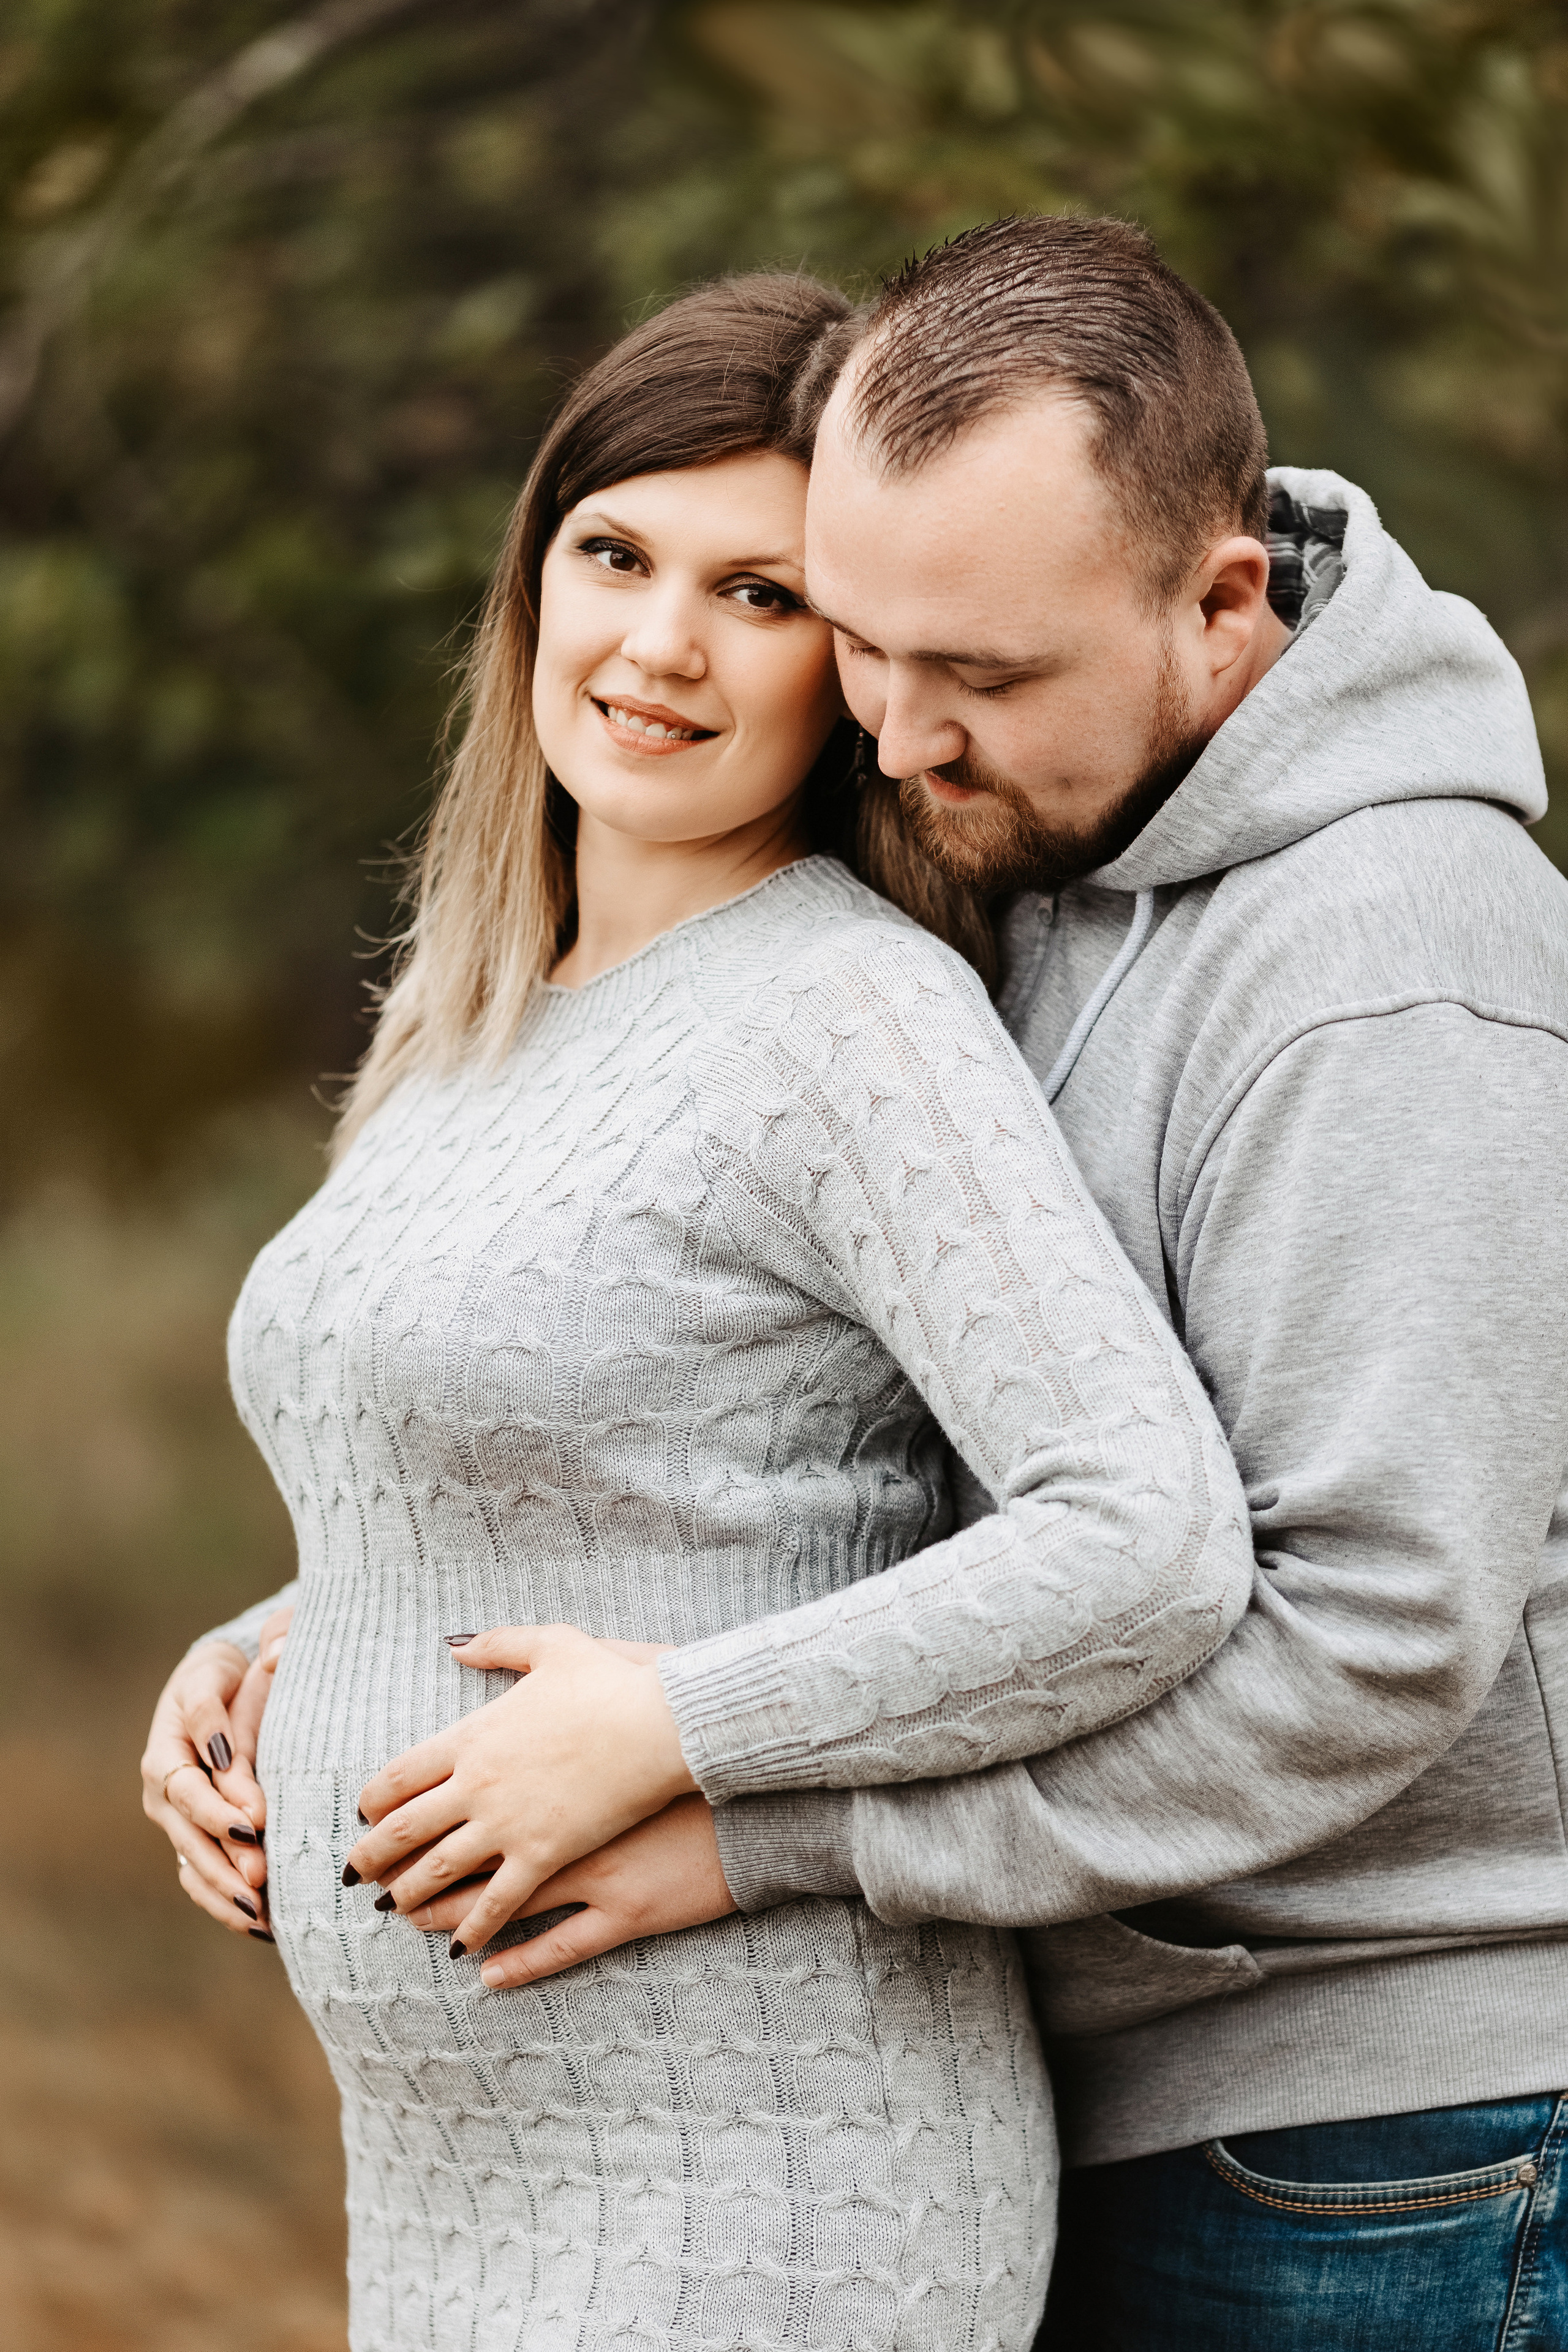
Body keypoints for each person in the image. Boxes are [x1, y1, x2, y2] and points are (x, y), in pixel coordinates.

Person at [140, 268, 1263, 2351]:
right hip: (472, 2190)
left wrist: (675, 1730)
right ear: (531, 582)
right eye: (614, 554)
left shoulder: (848, 1018)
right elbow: (549, 1458)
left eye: (758, 597)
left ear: (850, 667)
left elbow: (1147, 1534)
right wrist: (260, 1669)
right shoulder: (480, 1002)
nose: (658, 648)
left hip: (758, 2172)